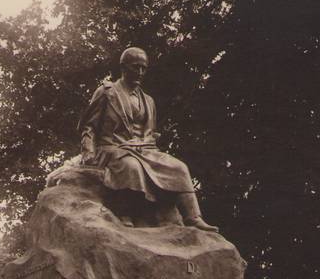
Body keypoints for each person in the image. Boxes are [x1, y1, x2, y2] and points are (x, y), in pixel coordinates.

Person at [74, 47, 218, 231]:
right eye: (136, 67)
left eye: (144, 68)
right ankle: (124, 212)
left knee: (179, 168)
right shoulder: (106, 92)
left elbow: (149, 131)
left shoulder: (148, 100)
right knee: (131, 167)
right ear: (123, 67)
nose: (140, 72)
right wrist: (88, 152)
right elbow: (88, 126)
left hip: (145, 149)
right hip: (112, 147)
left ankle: (193, 217)